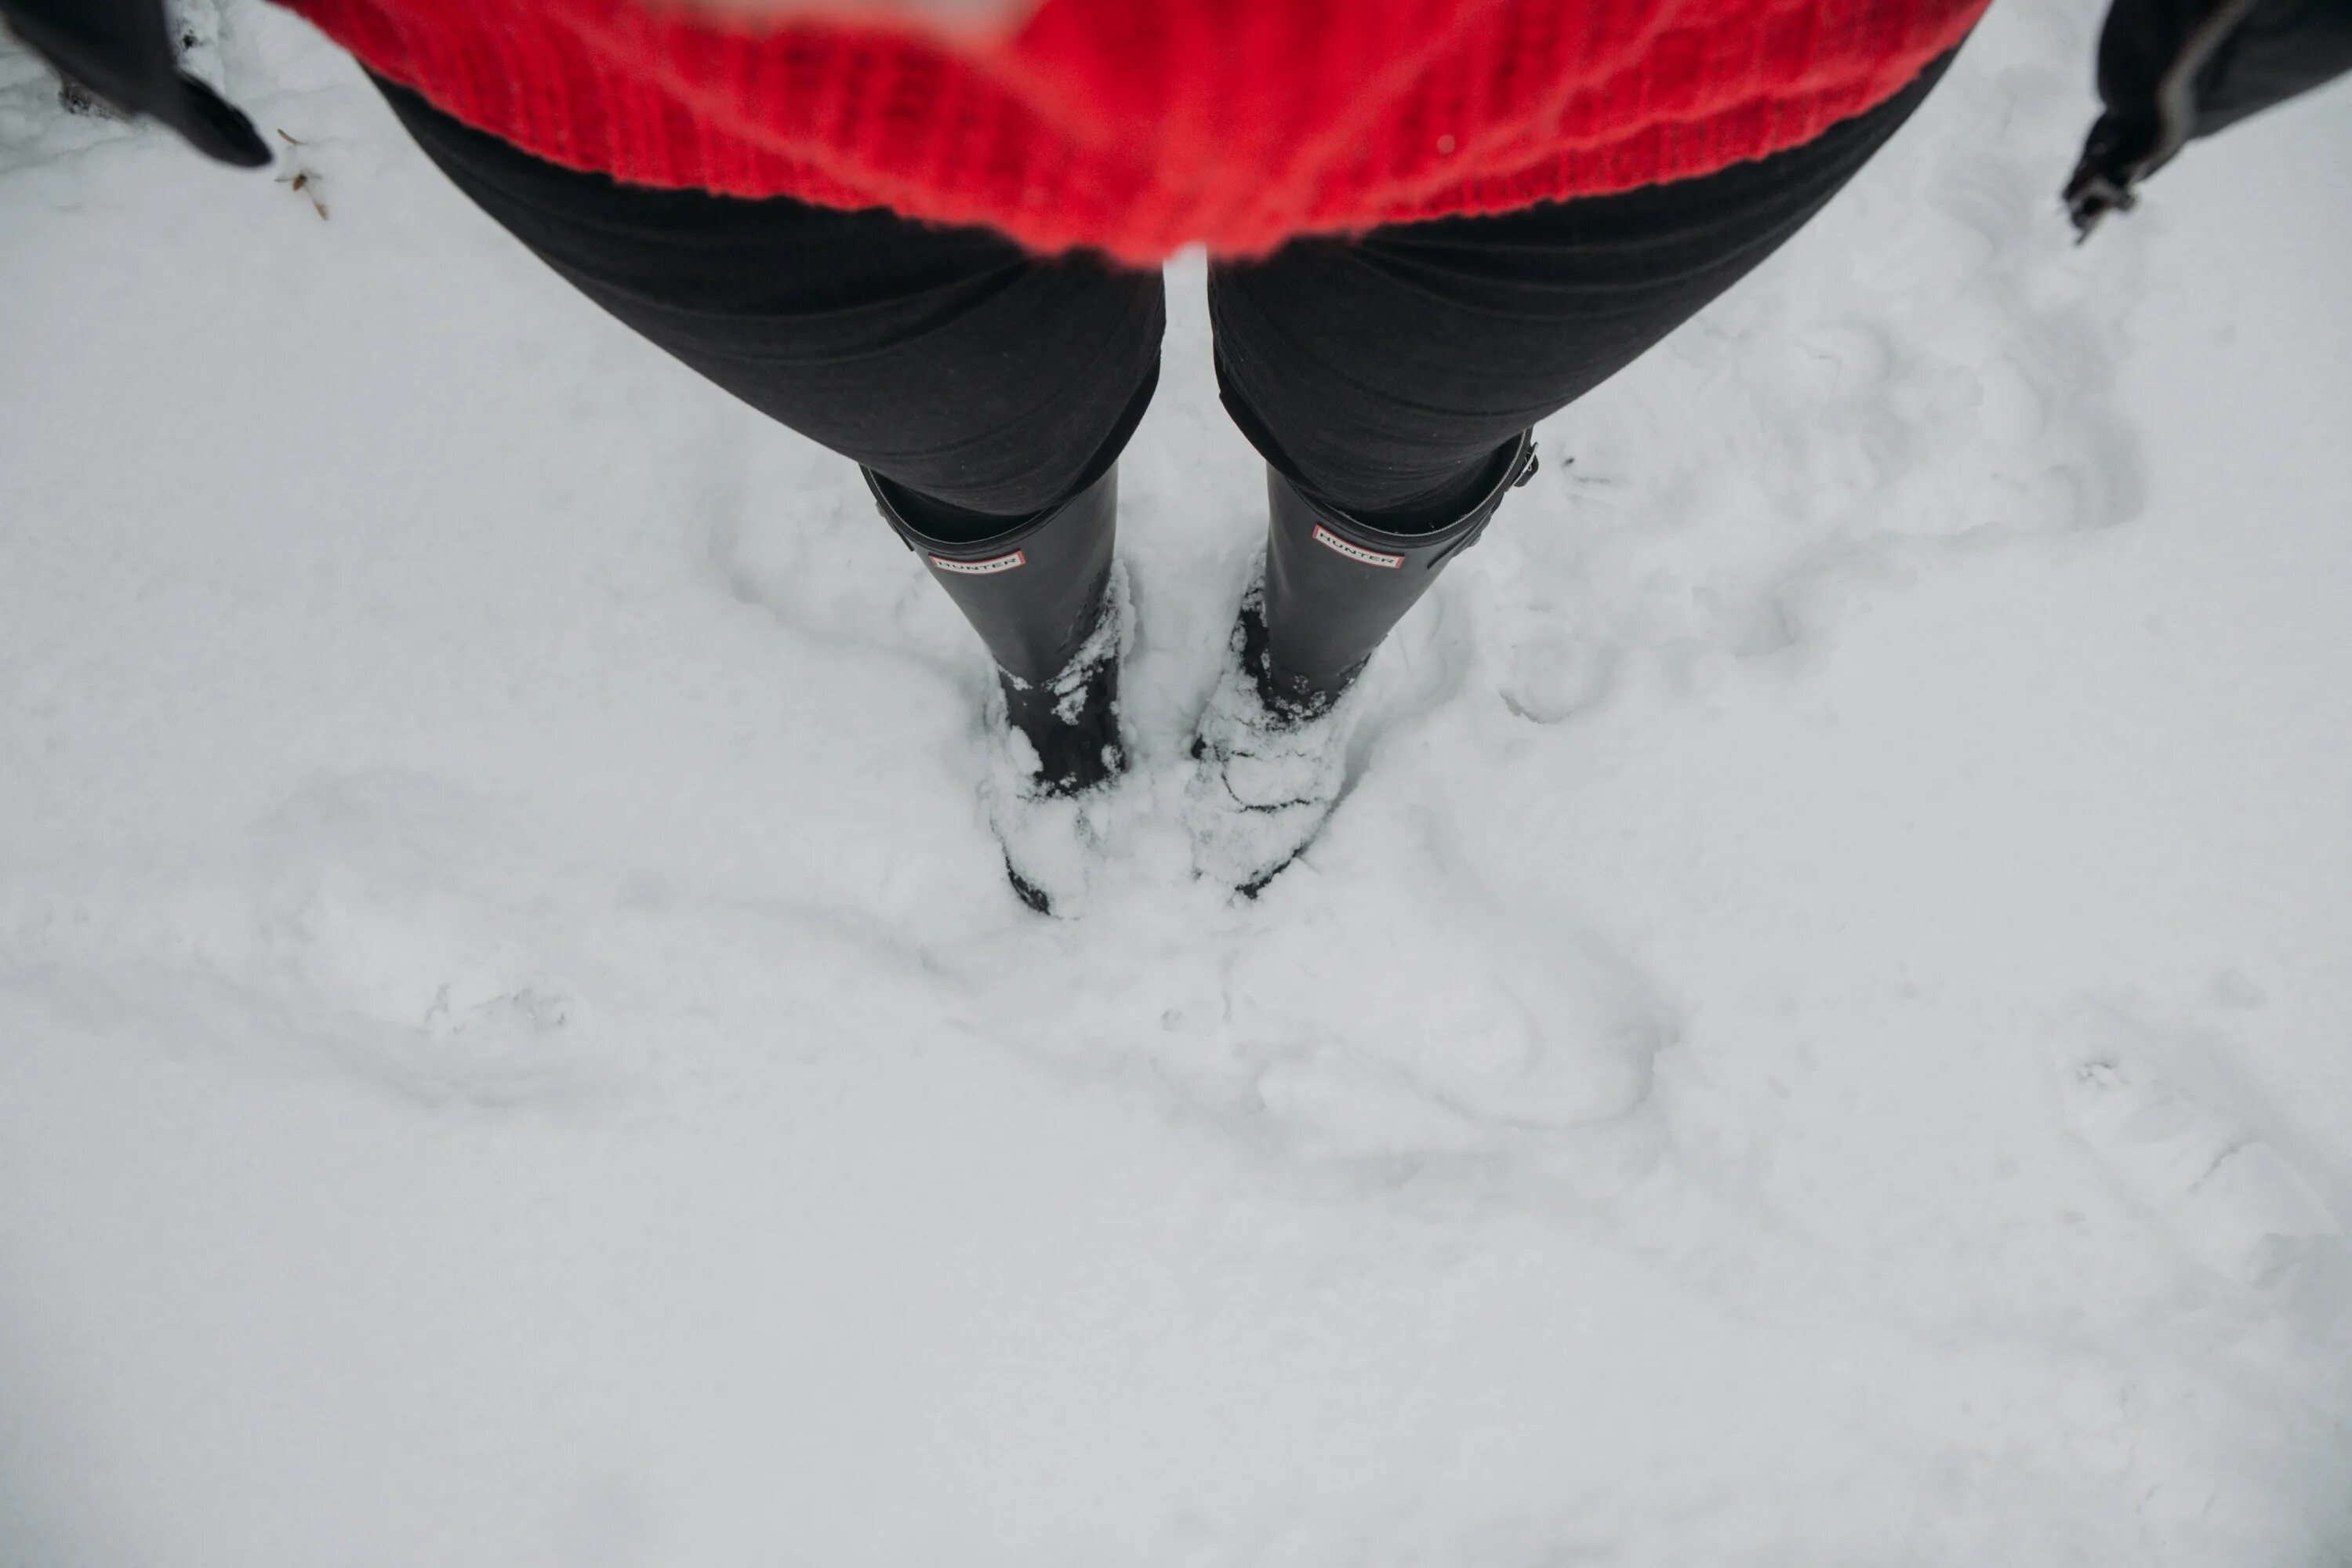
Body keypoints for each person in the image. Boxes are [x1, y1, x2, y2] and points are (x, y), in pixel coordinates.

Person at [11, 0, 2349, 909]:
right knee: (979, 433)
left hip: (1642, 64)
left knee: (1397, 421)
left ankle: (1307, 671)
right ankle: (1055, 660)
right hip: (653, 78)